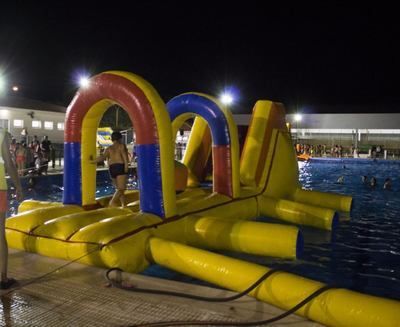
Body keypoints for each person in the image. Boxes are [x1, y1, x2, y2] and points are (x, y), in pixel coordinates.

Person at [0, 129, 23, 289]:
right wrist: (18, 186)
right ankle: (3, 278)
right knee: (0, 234)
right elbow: (8, 163)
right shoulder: (2, 133)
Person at [90, 131, 129, 207]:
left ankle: (124, 205)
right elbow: (125, 157)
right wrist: (126, 167)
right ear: (120, 138)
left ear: (112, 139)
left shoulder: (108, 148)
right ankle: (112, 202)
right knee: (121, 188)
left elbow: (102, 158)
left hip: (112, 169)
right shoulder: (121, 146)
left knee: (118, 189)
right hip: (120, 166)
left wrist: (92, 161)